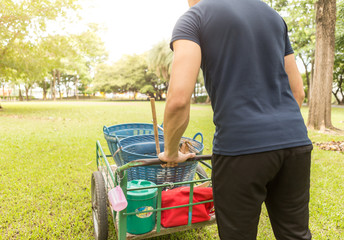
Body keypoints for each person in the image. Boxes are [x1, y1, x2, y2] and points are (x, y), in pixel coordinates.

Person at [158, 0, 313, 239]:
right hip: (295, 144)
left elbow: (178, 99)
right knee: (296, 234)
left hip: (240, 148)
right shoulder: (272, 16)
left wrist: (170, 152)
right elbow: (298, 92)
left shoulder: (194, 18)